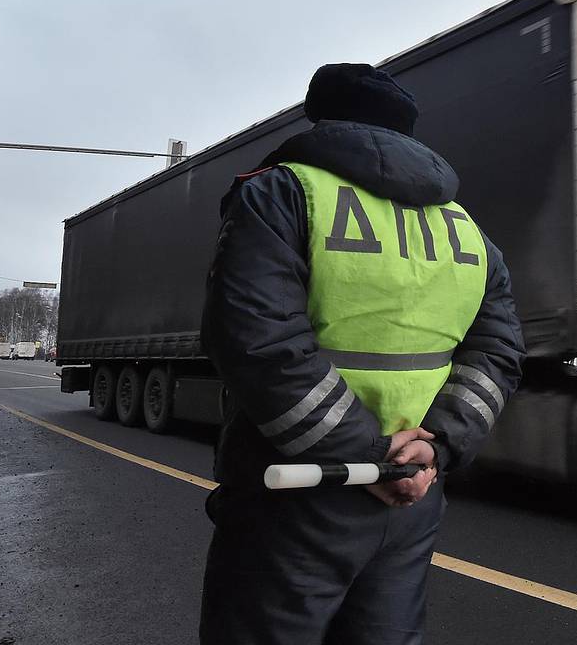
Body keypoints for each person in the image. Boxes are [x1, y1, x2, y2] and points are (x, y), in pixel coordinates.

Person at [198, 63, 526, 645]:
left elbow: (257, 339)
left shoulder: (283, 192)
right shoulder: (466, 230)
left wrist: (366, 459)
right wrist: (432, 449)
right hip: (412, 495)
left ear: (321, 118)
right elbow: (497, 353)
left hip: (297, 490)